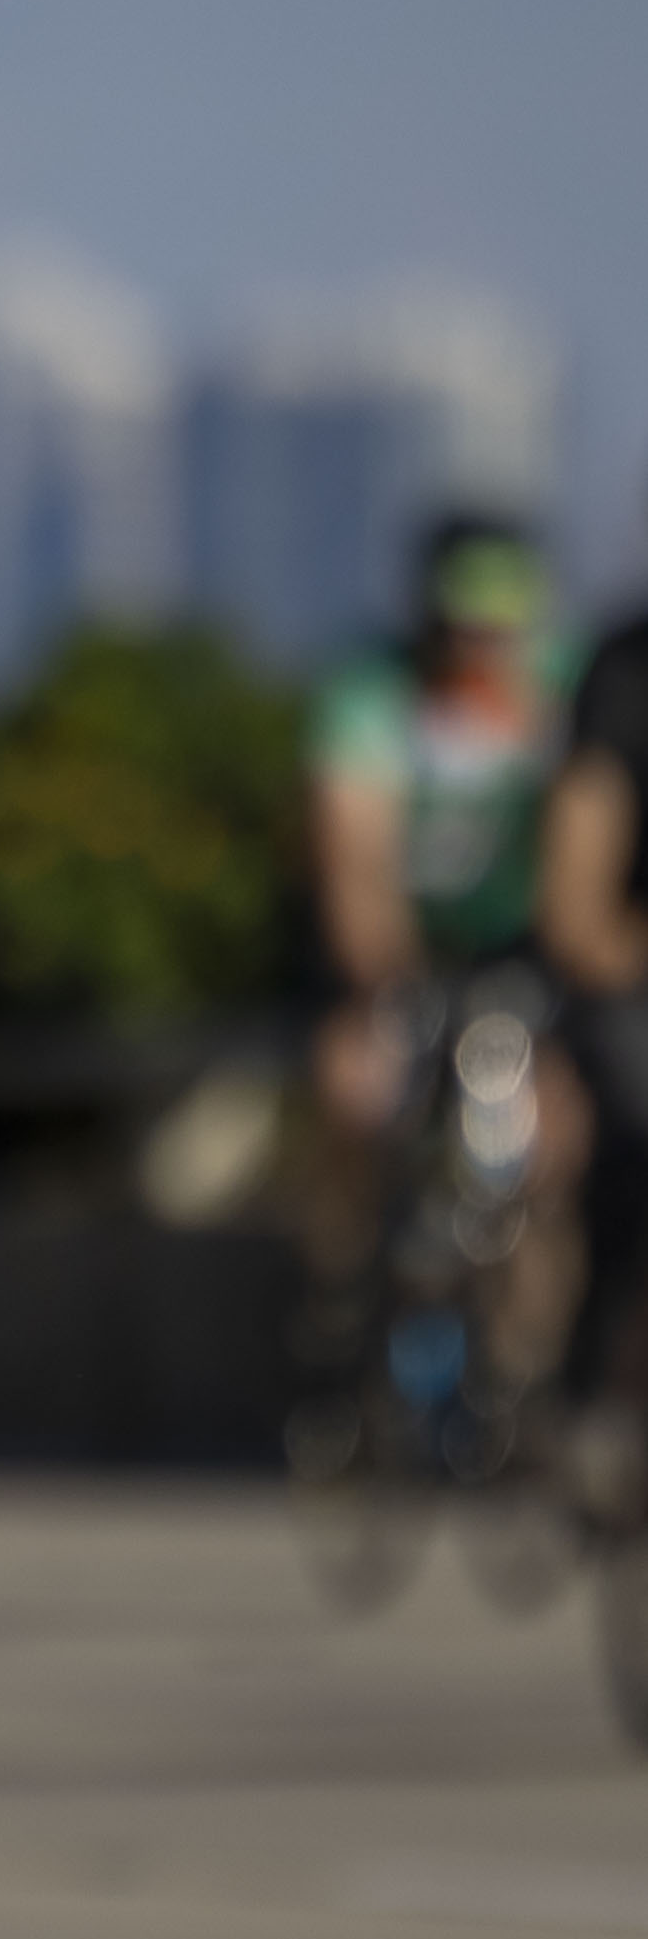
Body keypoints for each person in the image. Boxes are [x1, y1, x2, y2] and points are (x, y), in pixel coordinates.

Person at [304, 515, 587, 1421]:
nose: (483, 647)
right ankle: (340, 1309)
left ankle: (531, 1373)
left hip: (518, 954)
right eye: (465, 624)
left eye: (504, 626)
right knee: (356, 1089)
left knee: (552, 1142)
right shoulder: (370, 694)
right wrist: (384, 976)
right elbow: (355, 863)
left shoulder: (564, 691)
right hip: (400, 948)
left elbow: (584, 845)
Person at [536, 549, 648, 1509]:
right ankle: (586, 1401)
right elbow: (579, 897)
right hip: (630, 975)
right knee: (634, 1144)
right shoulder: (621, 673)